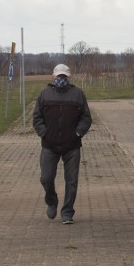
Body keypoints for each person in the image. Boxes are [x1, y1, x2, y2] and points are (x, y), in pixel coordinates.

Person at [32, 64, 92, 224]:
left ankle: (67, 212)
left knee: (71, 181)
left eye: (64, 76)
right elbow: (37, 117)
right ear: (53, 76)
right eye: (59, 76)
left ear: (68, 77)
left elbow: (86, 118)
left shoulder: (77, 94)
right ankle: (51, 201)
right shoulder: (44, 94)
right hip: (49, 145)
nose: (61, 79)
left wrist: (78, 133)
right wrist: (44, 133)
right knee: (46, 178)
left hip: (72, 146)